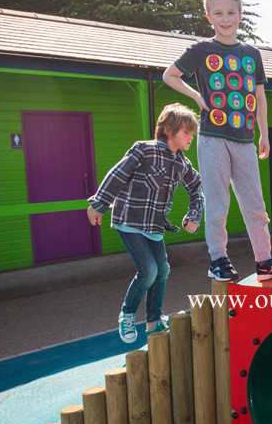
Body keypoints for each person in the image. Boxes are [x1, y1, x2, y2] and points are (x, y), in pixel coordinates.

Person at [162, 0, 272, 283]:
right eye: (218, 13)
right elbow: (170, 75)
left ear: (240, 15)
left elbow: (259, 97)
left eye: (231, 12)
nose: (225, 18)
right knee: (219, 203)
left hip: (244, 141)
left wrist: (264, 134)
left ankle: (264, 260)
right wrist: (196, 97)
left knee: (255, 204)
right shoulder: (202, 50)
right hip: (213, 138)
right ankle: (218, 259)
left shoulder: (252, 54)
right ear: (209, 17)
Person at [87, 103, 204, 343]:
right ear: (169, 130)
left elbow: (196, 188)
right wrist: (98, 205)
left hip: (154, 227)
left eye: (193, 133)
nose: (191, 137)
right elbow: (117, 175)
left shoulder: (182, 164)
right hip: (129, 221)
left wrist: (194, 214)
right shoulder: (145, 150)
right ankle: (127, 314)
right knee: (149, 270)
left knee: (162, 271)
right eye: (186, 132)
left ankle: (153, 322)